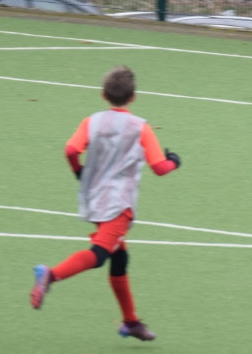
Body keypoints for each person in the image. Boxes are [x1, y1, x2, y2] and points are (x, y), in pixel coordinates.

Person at [29, 65, 181, 342]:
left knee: (119, 258)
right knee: (99, 255)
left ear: (103, 95)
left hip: (95, 197)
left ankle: (131, 322)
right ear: (133, 97)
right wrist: (174, 162)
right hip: (118, 205)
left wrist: (79, 172)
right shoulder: (140, 128)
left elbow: (70, 150)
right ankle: (50, 275)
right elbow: (159, 167)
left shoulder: (92, 121)